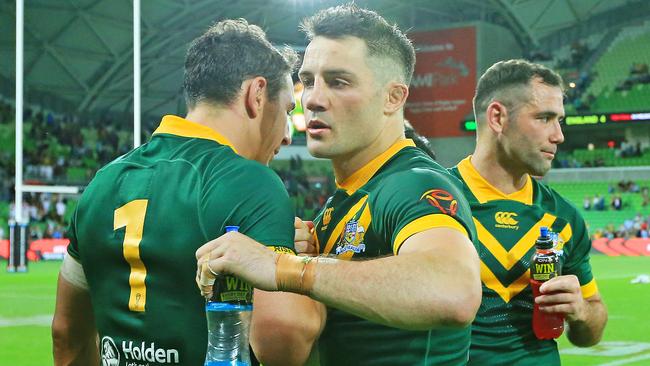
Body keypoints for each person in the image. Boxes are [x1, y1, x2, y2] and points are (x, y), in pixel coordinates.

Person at [196, 5, 481, 366]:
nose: (313, 98)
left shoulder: (411, 183)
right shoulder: (343, 201)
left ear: (393, 97)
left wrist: (286, 268)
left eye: (338, 81)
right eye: (308, 80)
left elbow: (453, 292)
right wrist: (310, 257)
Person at [51, 19, 318, 365]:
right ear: (255, 95)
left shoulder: (102, 183)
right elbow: (285, 333)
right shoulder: (249, 183)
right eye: (286, 111)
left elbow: (65, 333)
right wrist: (309, 269)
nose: (286, 135)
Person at [448, 59, 607, 364]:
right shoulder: (431, 202)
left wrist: (581, 312)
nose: (559, 135)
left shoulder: (564, 217)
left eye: (559, 120)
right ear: (497, 117)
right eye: (545, 118)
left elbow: (591, 328)